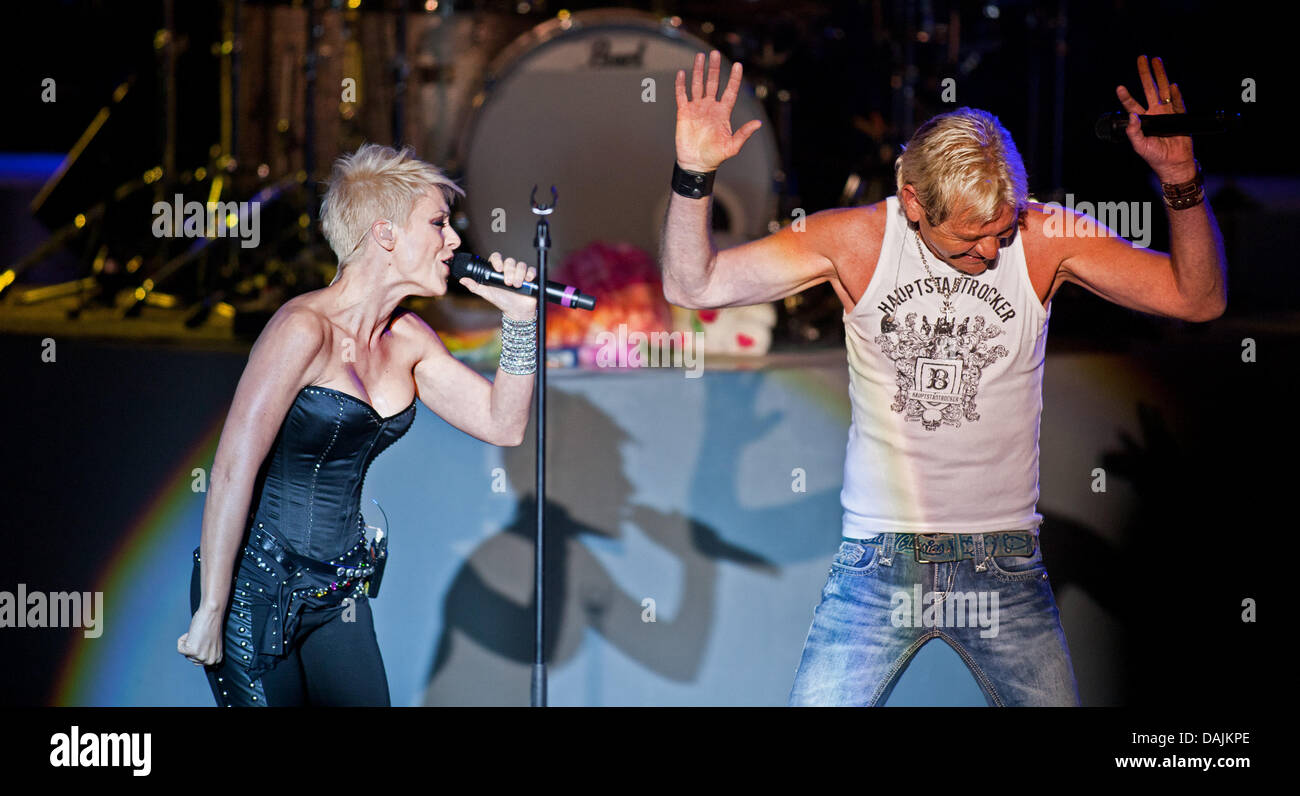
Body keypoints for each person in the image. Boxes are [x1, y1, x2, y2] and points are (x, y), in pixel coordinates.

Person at [662, 51, 1226, 706]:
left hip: (1005, 567)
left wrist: (1181, 179)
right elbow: (690, 281)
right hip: (878, 564)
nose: (989, 253)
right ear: (913, 205)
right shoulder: (855, 242)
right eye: (967, 240)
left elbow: (1199, 299)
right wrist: (694, 176)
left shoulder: (1043, 237)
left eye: (999, 230)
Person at [176, 143, 540, 706]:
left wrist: (519, 321)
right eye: (439, 223)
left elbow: (505, 424)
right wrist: (212, 609)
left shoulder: (410, 341)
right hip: (253, 587)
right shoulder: (302, 329)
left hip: (337, 592)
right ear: (386, 234)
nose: (455, 241)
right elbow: (230, 471)